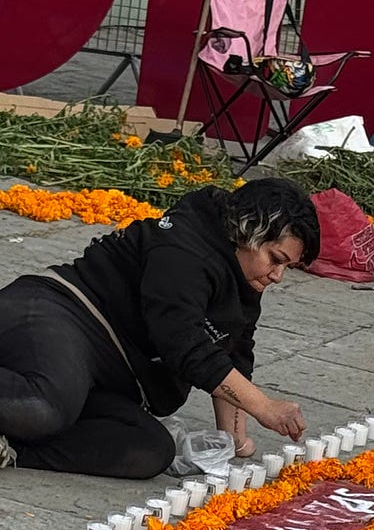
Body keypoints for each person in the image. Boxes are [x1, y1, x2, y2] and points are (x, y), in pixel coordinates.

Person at [0, 179, 315, 481]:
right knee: (41, 408)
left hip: (108, 373)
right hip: (63, 312)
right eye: (275, 259)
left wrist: (234, 440)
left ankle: (12, 449)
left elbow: (233, 350)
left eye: (287, 266)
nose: (278, 276)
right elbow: (183, 342)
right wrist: (264, 406)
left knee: (150, 449)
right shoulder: (184, 247)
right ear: (248, 232)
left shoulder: (245, 275)